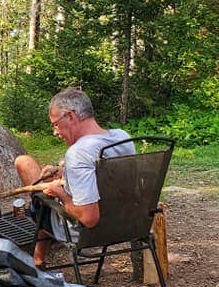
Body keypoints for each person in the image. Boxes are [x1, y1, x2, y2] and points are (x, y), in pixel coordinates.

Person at [14, 87, 135, 266]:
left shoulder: (78, 153)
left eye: (55, 124)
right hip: (125, 223)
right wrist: (67, 174)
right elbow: (107, 176)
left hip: (84, 231)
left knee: (29, 175)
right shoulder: (121, 137)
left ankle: (37, 261)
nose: (55, 132)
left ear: (70, 116)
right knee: (40, 175)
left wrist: (60, 194)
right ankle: (37, 260)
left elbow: (89, 218)